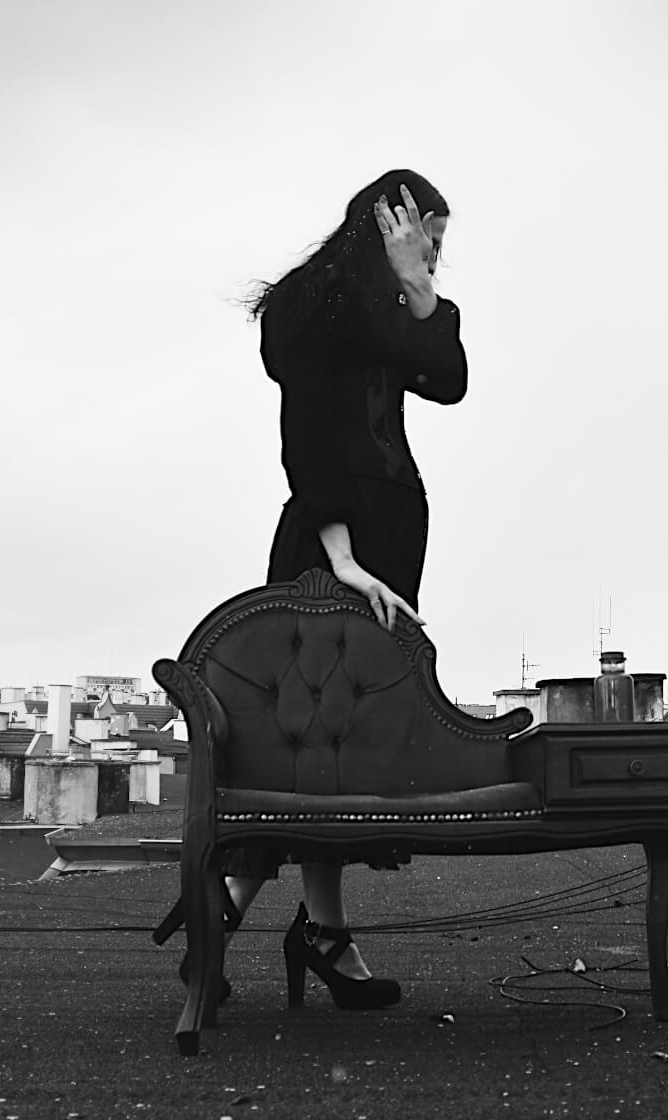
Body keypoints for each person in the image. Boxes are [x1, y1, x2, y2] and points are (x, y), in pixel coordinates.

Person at [201, 169, 464, 1012]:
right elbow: (308, 434)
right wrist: (341, 556)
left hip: (384, 530)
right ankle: (237, 913)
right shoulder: (313, 306)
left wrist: (419, 287)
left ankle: (314, 927)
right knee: (305, 742)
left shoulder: (388, 303)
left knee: (337, 748)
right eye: (430, 236)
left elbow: (448, 378)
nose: (436, 256)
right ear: (392, 221)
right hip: (338, 537)